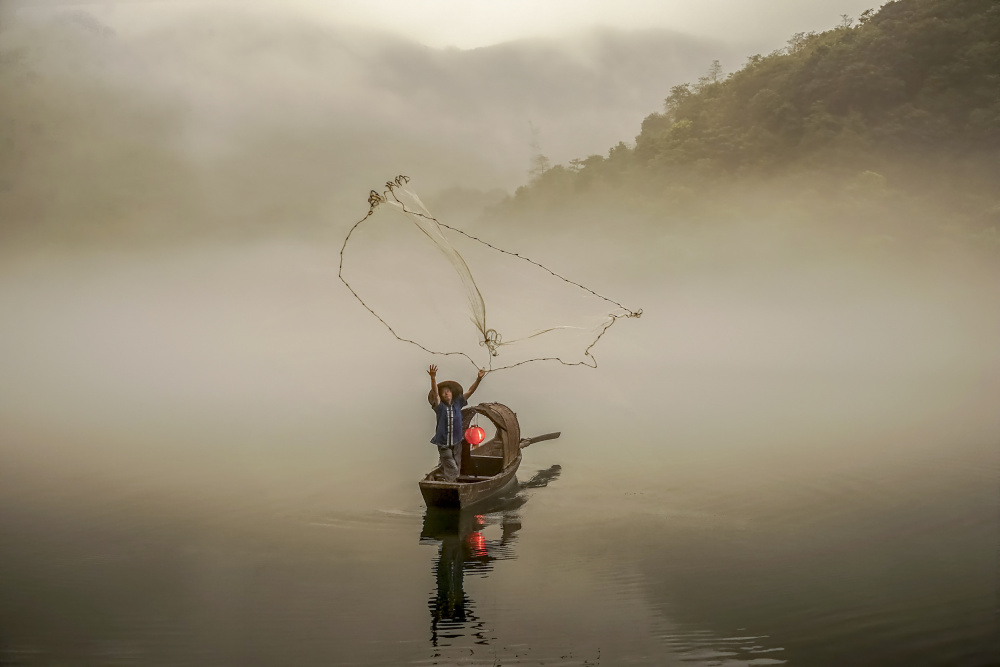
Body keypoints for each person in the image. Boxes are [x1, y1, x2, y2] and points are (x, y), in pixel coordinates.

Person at [428, 364, 486, 482]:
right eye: (443, 392)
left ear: (452, 393)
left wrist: (479, 379)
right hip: (443, 444)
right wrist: (433, 378)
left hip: (456, 442)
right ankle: (450, 486)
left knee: (457, 466)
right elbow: (435, 393)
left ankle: (447, 476)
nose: (446, 394)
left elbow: (470, 391)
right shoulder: (440, 407)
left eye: (448, 391)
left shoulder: (458, 403)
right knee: (453, 469)